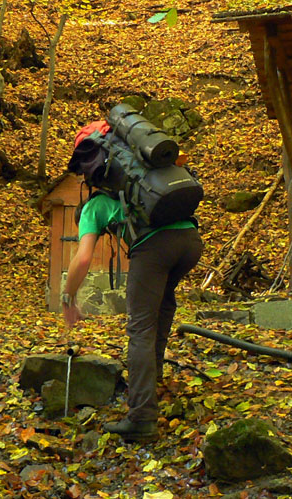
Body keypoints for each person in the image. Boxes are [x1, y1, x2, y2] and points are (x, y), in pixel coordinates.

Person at [62, 126, 203, 442]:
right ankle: (152, 382)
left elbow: (82, 259)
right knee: (161, 306)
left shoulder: (93, 208)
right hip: (190, 240)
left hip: (155, 247)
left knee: (140, 328)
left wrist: (68, 297)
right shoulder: (141, 183)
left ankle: (141, 418)